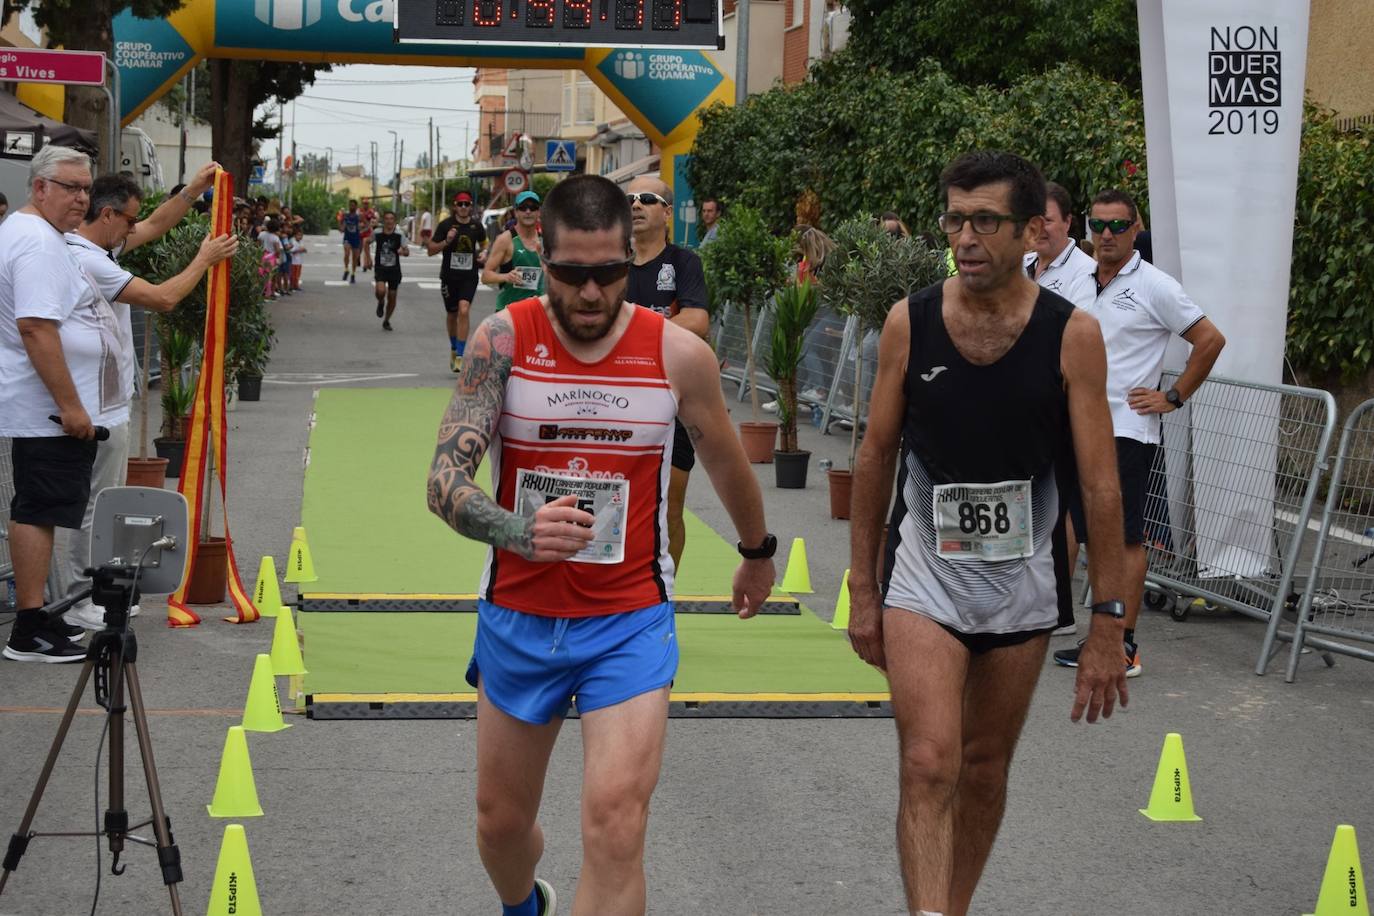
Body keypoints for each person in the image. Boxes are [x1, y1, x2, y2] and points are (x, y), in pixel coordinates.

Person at [426, 174, 776, 916]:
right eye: (571, 274)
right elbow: (444, 478)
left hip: (630, 620)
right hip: (520, 615)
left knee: (617, 825)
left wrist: (757, 550)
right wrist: (522, 530)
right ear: (541, 260)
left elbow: (726, 463)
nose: (590, 293)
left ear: (631, 262)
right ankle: (525, 904)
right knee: (500, 824)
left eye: (609, 273)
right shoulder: (503, 340)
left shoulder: (678, 355)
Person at [847, 151, 1130, 916]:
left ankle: (953, 904)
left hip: (1024, 580)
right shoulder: (911, 320)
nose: (965, 237)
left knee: (983, 766)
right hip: (924, 575)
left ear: (1032, 230)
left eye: (985, 221)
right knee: (929, 759)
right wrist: (864, 589)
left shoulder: (1072, 335)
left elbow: (1101, 486)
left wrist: (1109, 621)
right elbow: (873, 456)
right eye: (954, 219)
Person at [1052, 189, 1225, 679]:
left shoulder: (1154, 285)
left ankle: (1124, 645)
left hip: (1125, 429)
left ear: (1137, 228)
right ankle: (1103, 637)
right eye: (1098, 225)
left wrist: (1173, 396)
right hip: (1076, 425)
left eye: (1118, 226)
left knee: (1124, 539)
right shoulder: (1079, 277)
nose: (1106, 235)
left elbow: (1210, 339)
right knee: (1092, 537)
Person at [56, 172, 238, 630]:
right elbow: (163, 298)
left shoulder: (101, 246)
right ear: (108, 213)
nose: (133, 230)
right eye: (127, 220)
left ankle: (95, 589)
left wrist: (192, 191)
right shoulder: (87, 259)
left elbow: (156, 224)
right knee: (91, 504)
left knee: (101, 500)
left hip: (109, 402)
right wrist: (203, 258)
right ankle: (79, 596)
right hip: (92, 405)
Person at [0, 146, 116, 661]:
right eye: (71, 187)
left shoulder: (32, 233)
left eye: (86, 188)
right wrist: (71, 406)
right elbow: (37, 328)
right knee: (37, 509)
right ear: (40, 187)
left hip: (37, 404)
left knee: (38, 509)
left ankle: (36, 617)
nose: (82, 198)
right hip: (44, 408)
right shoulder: (38, 244)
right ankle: (29, 628)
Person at [625, 175, 709, 574]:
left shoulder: (683, 262)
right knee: (619, 501)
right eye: (629, 199)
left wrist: (635, 332)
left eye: (646, 198)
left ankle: (663, 596)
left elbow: (697, 319)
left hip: (672, 400)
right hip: (618, 399)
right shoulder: (611, 264)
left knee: (670, 506)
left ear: (667, 212)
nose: (635, 205)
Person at [427, 191, 487, 372]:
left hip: (469, 276)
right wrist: (447, 240)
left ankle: (461, 355)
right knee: (452, 314)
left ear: (471, 207)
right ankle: (454, 348)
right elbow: (431, 250)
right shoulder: (446, 225)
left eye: (466, 204)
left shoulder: (477, 226)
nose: (463, 207)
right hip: (449, 277)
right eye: (460, 204)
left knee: (464, 309)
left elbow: (485, 244)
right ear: (455, 206)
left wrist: (484, 253)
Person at [484, 191, 545, 314]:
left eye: (533, 208)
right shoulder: (505, 240)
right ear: (516, 212)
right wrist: (506, 277)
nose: (528, 212)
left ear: (538, 212)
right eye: (523, 208)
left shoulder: (545, 241)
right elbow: (486, 276)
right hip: (508, 311)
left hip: (536, 312)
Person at [372, 209, 409, 331]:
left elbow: (407, 251)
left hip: (394, 270)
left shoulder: (399, 234)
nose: (389, 221)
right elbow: (366, 241)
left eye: (391, 219)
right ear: (383, 220)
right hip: (380, 268)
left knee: (392, 297)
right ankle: (381, 301)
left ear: (394, 221)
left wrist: (402, 251)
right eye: (386, 219)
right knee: (381, 291)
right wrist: (367, 257)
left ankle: (386, 320)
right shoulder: (377, 233)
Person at [339, 199, 363, 283]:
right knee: (346, 253)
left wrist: (362, 230)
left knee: (354, 257)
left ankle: (353, 274)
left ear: (356, 207)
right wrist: (341, 228)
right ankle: (346, 269)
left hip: (356, 238)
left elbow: (367, 225)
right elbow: (341, 225)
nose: (351, 207)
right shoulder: (345, 215)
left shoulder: (359, 216)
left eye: (353, 205)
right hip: (347, 238)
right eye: (350, 205)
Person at [359, 196, 377, 272]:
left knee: (365, 246)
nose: (365, 205)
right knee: (359, 248)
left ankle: (366, 264)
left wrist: (370, 224)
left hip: (368, 232)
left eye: (366, 203)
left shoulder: (371, 212)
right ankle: (363, 261)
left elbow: (374, 221)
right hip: (360, 232)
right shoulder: (359, 211)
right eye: (364, 203)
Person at [289, 226, 307, 290]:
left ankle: (296, 285)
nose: (300, 237)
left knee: (298, 274)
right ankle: (292, 285)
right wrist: (299, 250)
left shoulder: (301, 241)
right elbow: (291, 251)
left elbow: (305, 250)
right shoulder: (292, 241)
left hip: (299, 261)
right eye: (298, 235)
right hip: (293, 261)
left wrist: (304, 250)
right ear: (295, 235)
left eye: (301, 235)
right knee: (293, 274)